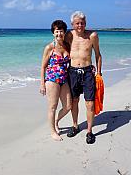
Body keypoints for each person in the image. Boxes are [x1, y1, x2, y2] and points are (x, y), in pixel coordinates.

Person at [65, 11, 102, 144]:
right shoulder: (69, 35)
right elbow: (60, 48)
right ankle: (75, 126)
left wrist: (99, 73)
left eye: (82, 23)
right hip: (73, 72)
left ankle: (89, 131)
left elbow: (98, 55)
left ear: (85, 23)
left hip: (88, 73)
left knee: (90, 103)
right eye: (77, 23)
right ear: (72, 24)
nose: (80, 25)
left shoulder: (92, 36)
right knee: (74, 101)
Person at [40, 20, 72, 141]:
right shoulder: (49, 47)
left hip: (64, 79)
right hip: (52, 79)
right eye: (56, 31)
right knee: (52, 106)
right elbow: (43, 66)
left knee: (68, 106)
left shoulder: (67, 46)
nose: (59, 34)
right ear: (53, 33)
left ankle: (56, 121)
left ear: (64, 32)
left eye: (61, 31)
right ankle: (53, 131)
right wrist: (42, 84)